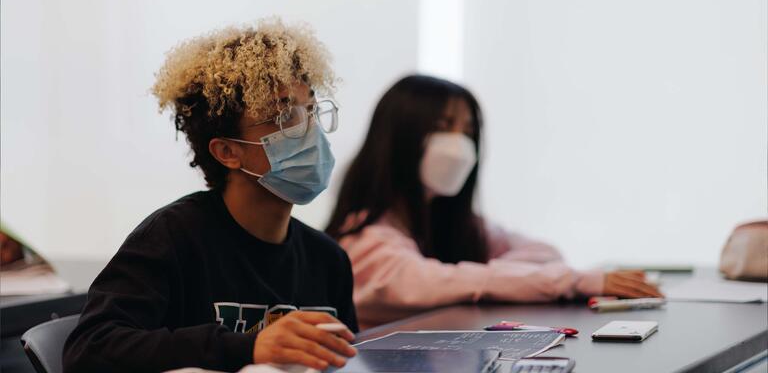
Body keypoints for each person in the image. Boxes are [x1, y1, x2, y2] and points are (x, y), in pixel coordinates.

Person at [63, 19, 358, 372]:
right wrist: (246, 348)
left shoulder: (328, 261)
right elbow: (89, 349)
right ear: (228, 152)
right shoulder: (172, 238)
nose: (309, 128)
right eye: (283, 115)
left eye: (310, 109)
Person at [326, 74, 662, 329]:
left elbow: (546, 255)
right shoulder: (363, 239)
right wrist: (569, 280)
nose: (459, 144)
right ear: (400, 137)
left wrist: (483, 276)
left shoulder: (449, 222)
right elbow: (426, 282)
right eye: (444, 126)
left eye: (468, 130)